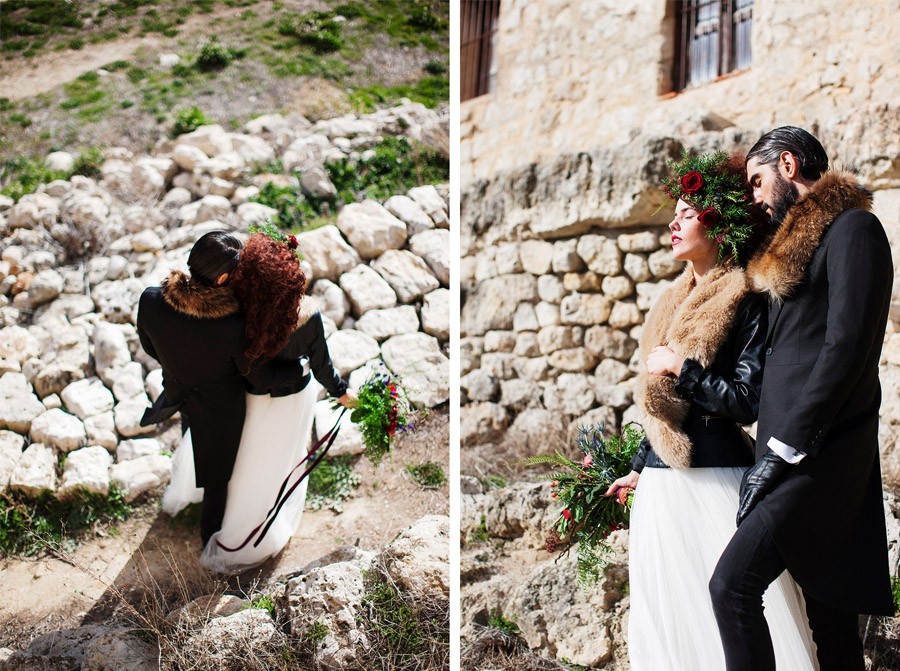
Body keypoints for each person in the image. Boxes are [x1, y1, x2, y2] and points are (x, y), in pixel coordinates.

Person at [606, 151, 816, 670]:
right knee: (665, 620)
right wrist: (638, 467)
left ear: (717, 223)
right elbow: (660, 410)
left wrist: (685, 369)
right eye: (674, 214)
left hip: (715, 480)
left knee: (723, 615)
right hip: (662, 485)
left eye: (687, 213)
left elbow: (747, 400)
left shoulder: (747, 296)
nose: (674, 223)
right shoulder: (667, 301)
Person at [709, 127, 894, 671]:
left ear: (789, 165)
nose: (756, 196)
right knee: (831, 631)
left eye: (758, 181)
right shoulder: (790, 252)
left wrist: (784, 449)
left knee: (731, 586)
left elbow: (847, 348)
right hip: (788, 455)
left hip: (820, 458)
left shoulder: (855, 229)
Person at [164, 231, 356, 574]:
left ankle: (224, 509)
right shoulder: (308, 319)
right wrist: (341, 392)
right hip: (288, 401)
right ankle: (257, 523)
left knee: (244, 457)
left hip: (246, 399)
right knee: (275, 459)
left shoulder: (237, 315)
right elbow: (322, 366)